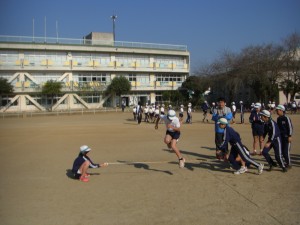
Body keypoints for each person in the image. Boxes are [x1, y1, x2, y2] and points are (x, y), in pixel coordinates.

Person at [276, 105, 293, 169]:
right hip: (281, 137)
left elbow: (290, 127)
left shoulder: (286, 118)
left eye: (277, 110)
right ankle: (286, 162)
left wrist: (290, 136)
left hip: (286, 137)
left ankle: (289, 163)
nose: (277, 111)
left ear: (281, 110)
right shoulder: (278, 119)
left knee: (286, 151)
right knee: (282, 151)